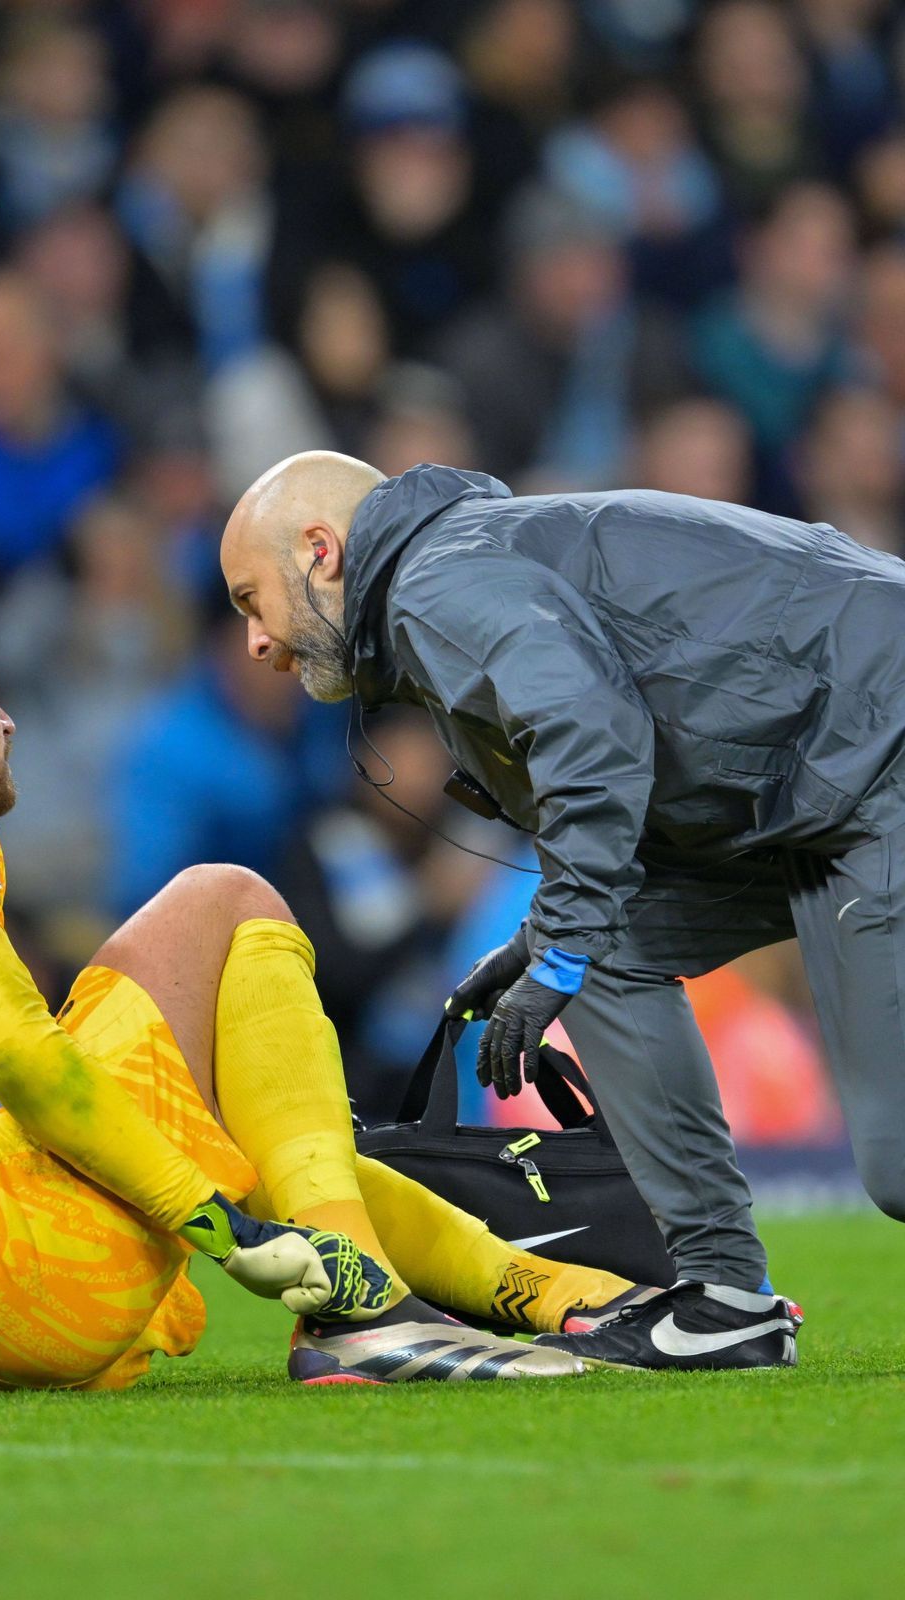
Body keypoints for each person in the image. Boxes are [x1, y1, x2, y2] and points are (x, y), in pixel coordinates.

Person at [0, 583, 644, 1395]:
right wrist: (217, 1227)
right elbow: (21, 1058)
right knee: (225, 896)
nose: (5, 717)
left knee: (265, 1131)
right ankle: (362, 1314)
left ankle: (560, 1292)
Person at [219, 447, 905, 1371]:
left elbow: (592, 731)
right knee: (607, 943)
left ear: (319, 550)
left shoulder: (435, 582)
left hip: (876, 749)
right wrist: (550, 937)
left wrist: (564, 943)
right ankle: (725, 1297)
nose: (255, 641)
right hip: (824, 779)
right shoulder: (466, 562)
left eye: (248, 599)